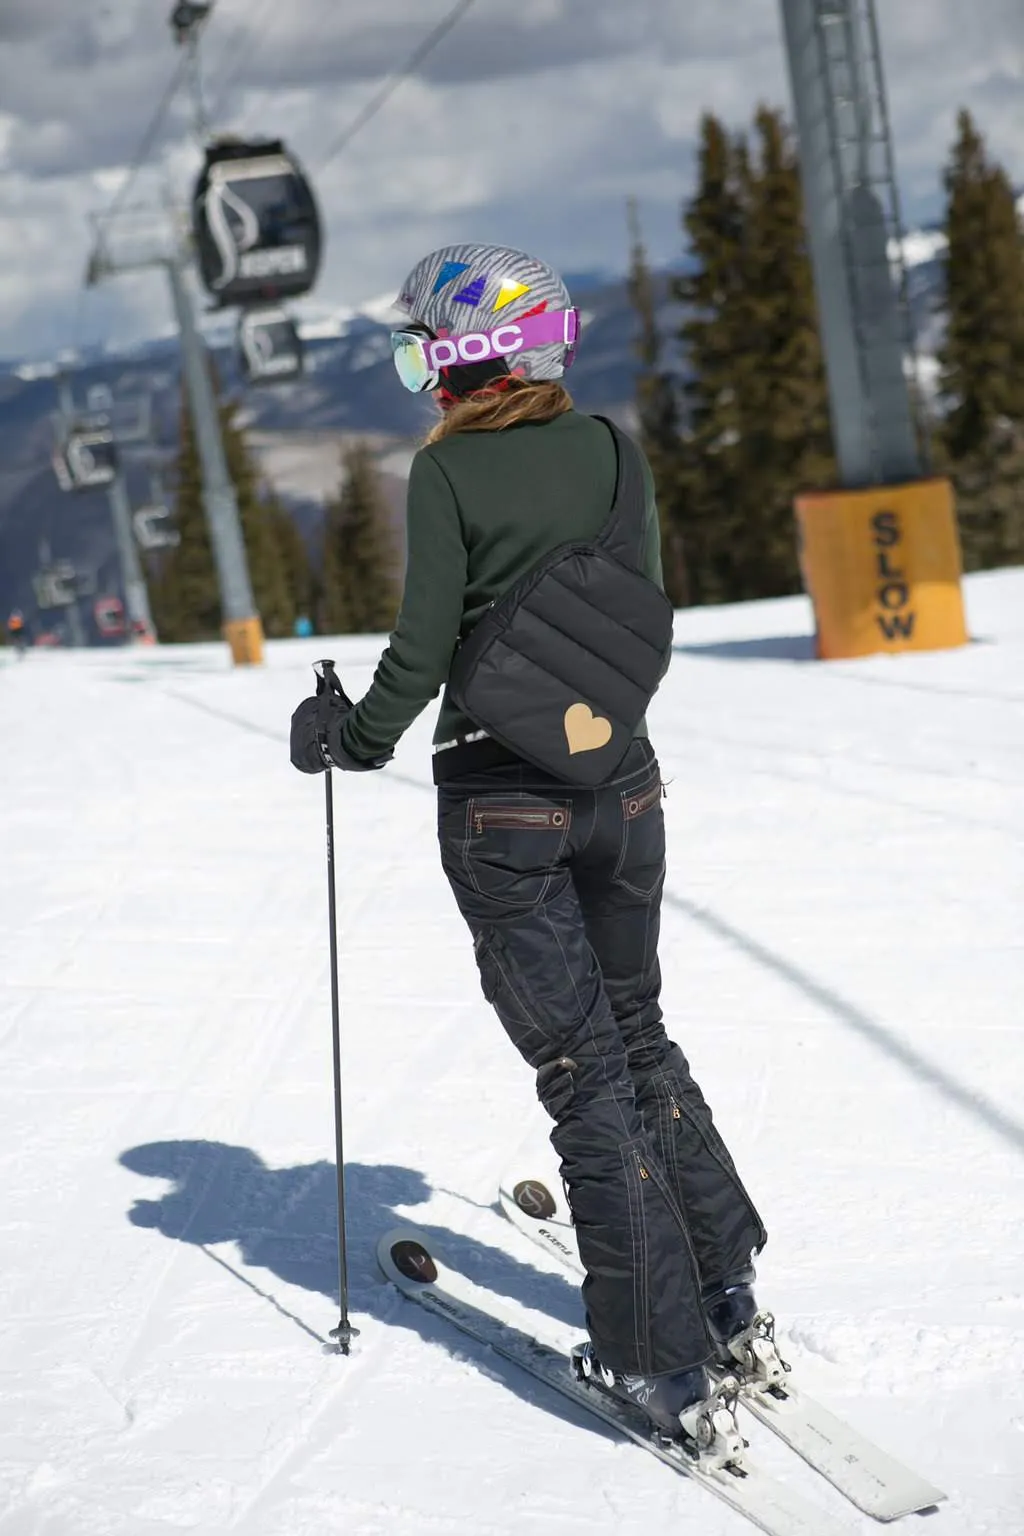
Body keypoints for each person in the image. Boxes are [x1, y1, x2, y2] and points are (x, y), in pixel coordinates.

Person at [289, 244, 769, 1455]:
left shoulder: (446, 475)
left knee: (584, 1079)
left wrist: (346, 738)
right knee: (640, 1034)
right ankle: (724, 1293)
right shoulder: (614, 448)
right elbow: (636, 618)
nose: (415, 371)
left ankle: (656, 1365)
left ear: (464, 355)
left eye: (419, 345)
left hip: (503, 809)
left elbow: (418, 651)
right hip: (629, 789)